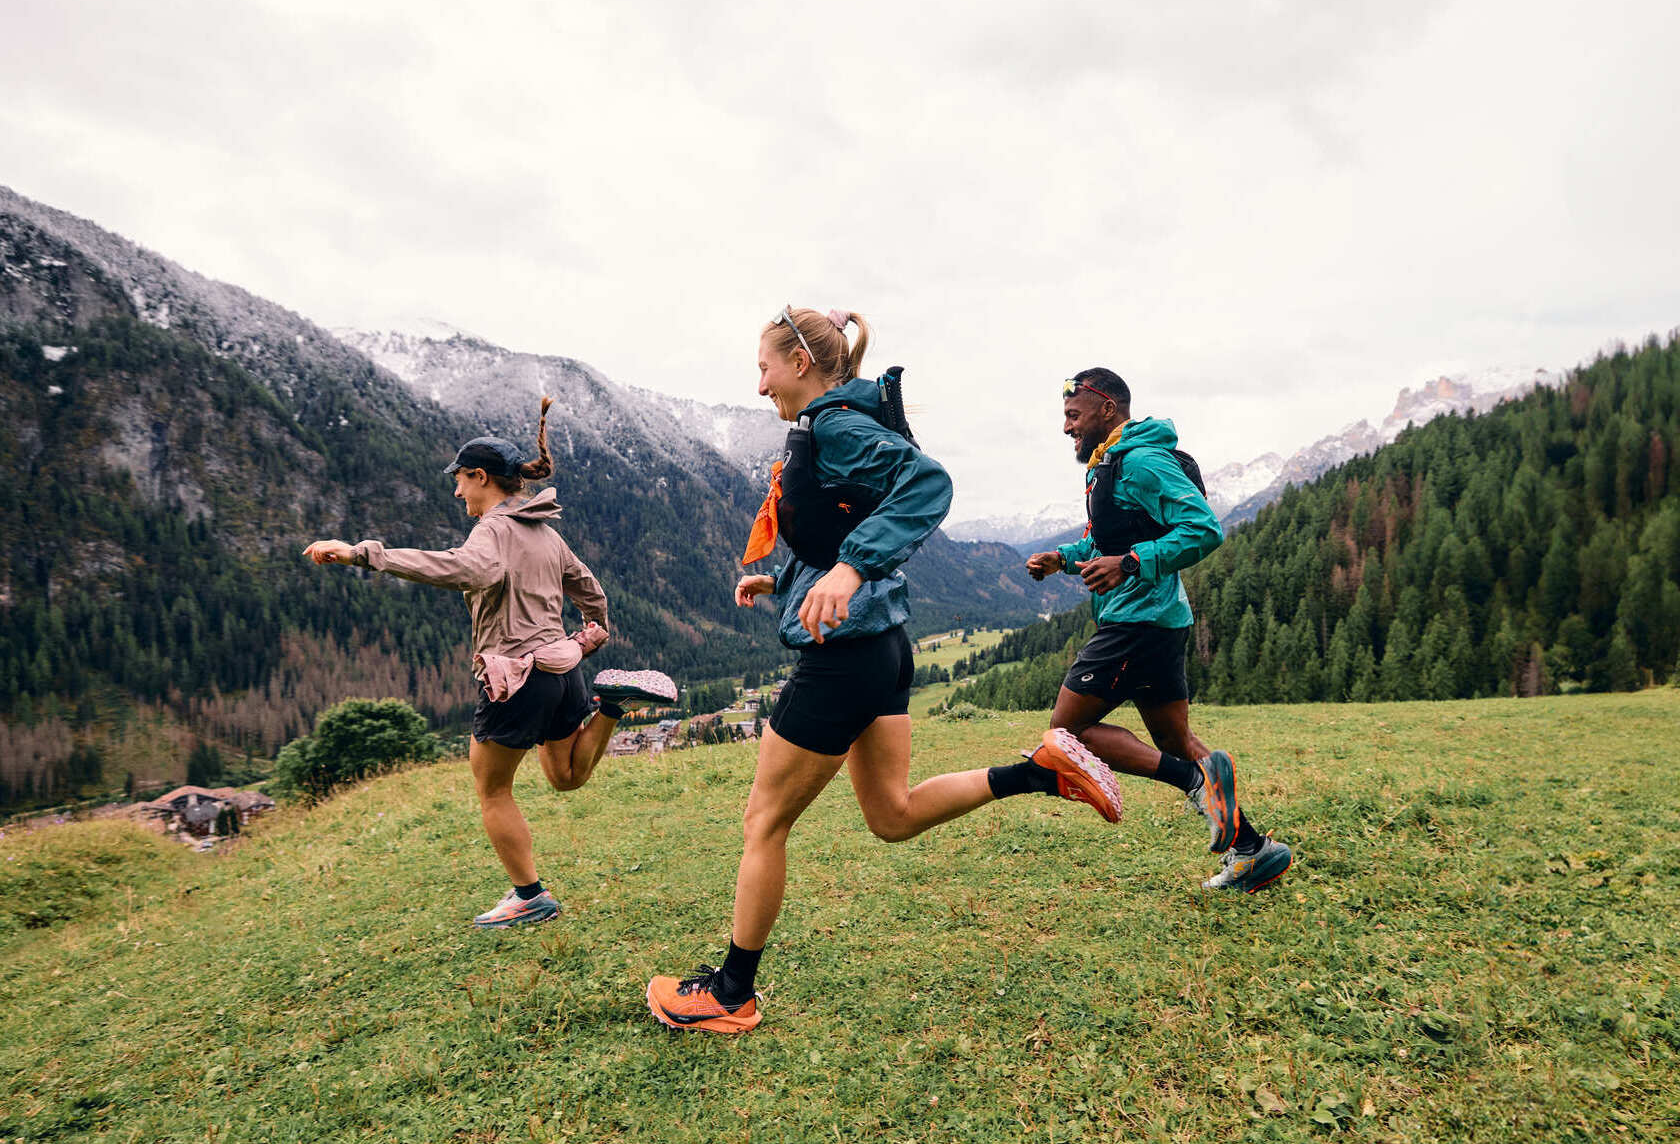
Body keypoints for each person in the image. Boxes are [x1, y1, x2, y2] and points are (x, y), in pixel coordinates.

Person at [645, 308, 1122, 1035]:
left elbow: (926, 485)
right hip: (881, 646)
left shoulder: (834, 425)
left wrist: (847, 568)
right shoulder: (834, 425)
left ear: (800, 364)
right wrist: (789, 581)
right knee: (891, 815)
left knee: (764, 821)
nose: (760, 385)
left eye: (764, 367)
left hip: (843, 657)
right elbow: (843, 525)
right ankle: (1038, 771)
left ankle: (731, 994)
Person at [302, 397, 676, 928]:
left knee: (493, 789)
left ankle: (529, 897)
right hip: (564, 671)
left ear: (481, 477)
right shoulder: (546, 532)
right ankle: (612, 705)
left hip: (516, 677)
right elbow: (590, 589)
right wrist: (591, 635)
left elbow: (464, 570)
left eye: (460, 480)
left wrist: (364, 553)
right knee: (566, 777)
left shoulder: (494, 530)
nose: (457, 492)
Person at [1025, 368, 1293, 894]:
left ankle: (1195, 781)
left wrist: (1130, 564)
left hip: (1137, 623)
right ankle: (1253, 850)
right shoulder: (1110, 464)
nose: (1066, 427)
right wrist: (1064, 558)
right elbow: (1111, 540)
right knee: (1174, 739)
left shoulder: (1142, 461)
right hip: (1160, 622)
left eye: (1073, 415)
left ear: (1107, 408)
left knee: (1067, 733)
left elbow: (1203, 530)